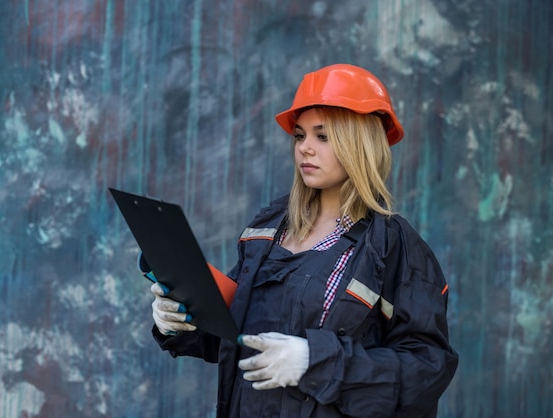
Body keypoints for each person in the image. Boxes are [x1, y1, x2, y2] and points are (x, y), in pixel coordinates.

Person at [149, 63, 458, 417]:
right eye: (300, 135)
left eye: (323, 136)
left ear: (360, 143)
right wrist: (180, 321)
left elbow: (427, 370)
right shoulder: (268, 230)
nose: (304, 149)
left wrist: (316, 361)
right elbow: (235, 338)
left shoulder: (394, 247)